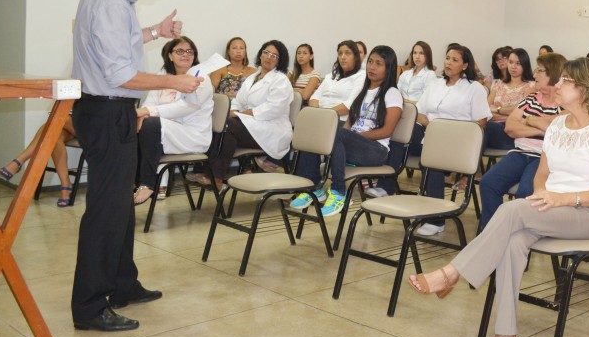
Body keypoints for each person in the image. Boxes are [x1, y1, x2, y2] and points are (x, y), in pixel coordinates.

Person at [408, 57, 589, 337]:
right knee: (513, 242)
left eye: (565, 80)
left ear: (584, 88)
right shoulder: (557, 126)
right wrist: (542, 195)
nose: (557, 85)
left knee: (512, 210)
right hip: (553, 207)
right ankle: (504, 336)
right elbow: (542, 175)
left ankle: (452, 274)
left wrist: (562, 198)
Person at [70, 0, 201, 332]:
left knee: (121, 208)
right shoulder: (110, 1)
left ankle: (123, 284)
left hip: (114, 111)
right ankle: (91, 307)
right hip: (107, 111)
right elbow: (121, 73)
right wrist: (175, 83)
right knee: (106, 214)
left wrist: (155, 32)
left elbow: (117, 45)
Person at [290, 46, 403, 212]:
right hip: (355, 145)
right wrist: (349, 135)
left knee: (334, 131)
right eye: (370, 62)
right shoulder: (363, 91)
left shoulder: (392, 93)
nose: (372, 67)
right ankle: (315, 187)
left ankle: (338, 192)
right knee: (317, 129)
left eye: (379, 64)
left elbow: (387, 131)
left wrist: (355, 136)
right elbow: (350, 122)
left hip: (376, 151)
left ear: (389, 68)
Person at [478, 52, 566, 229]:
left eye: (539, 71)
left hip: (544, 157)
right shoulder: (532, 98)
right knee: (488, 184)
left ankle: (515, 236)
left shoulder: (564, 102)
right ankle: (491, 233)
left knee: (526, 193)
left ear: (552, 73)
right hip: (519, 152)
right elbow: (510, 127)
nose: (534, 75)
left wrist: (527, 122)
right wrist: (540, 128)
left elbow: (556, 129)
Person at [412, 45, 492, 236]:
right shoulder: (435, 84)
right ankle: (424, 205)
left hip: (460, 140)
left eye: (455, 60)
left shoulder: (475, 88)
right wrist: (431, 126)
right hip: (432, 135)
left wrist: (449, 132)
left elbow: (481, 122)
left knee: (433, 163)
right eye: (447, 58)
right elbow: (420, 113)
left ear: (465, 65)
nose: (448, 62)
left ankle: (437, 219)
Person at [194, 41, 295, 184]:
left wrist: (242, 114)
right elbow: (238, 101)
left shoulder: (281, 80)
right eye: (266, 52)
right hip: (252, 126)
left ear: (280, 61)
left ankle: (214, 177)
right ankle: (210, 174)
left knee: (228, 126)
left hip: (271, 130)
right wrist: (234, 111)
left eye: (274, 56)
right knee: (221, 125)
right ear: (260, 54)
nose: (268, 57)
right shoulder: (252, 78)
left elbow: (273, 109)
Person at [133, 36, 214, 205]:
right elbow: (151, 100)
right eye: (179, 51)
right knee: (138, 124)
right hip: (168, 131)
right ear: (170, 55)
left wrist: (147, 111)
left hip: (192, 136)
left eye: (189, 51)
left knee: (151, 124)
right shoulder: (164, 76)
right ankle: (130, 181)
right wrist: (144, 113)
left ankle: (147, 183)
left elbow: (186, 106)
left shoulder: (201, 78)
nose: (185, 54)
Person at [0, 117, 79, 207]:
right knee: (54, 135)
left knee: (59, 118)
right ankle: (65, 184)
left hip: (89, 124)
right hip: (70, 125)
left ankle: (20, 160)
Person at [485, 48, 536, 149]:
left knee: (483, 128)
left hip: (512, 132)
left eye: (518, 63)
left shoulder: (531, 86)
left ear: (525, 65)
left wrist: (497, 109)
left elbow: (522, 113)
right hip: (492, 127)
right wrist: (509, 114)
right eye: (511, 62)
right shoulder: (499, 84)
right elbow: (486, 109)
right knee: (478, 128)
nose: (513, 66)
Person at [397, 40, 438, 105]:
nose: (417, 56)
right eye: (415, 53)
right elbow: (397, 95)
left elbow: (427, 101)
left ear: (427, 56)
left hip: (418, 112)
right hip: (401, 108)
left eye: (421, 53)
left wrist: (406, 102)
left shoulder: (430, 74)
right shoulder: (405, 74)